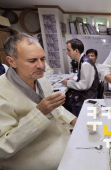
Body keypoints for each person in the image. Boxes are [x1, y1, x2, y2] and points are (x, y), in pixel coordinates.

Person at [0, 33, 77, 170]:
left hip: (60, 140)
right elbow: (3, 148)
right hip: (33, 159)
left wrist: (72, 119)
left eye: (43, 59)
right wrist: (40, 113)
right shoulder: (2, 92)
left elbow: (53, 106)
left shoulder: (41, 80)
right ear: (12, 61)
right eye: (32, 61)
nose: (42, 66)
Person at [62, 39, 99, 117]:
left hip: (87, 97)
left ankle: (75, 124)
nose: (67, 53)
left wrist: (68, 83)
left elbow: (84, 86)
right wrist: (73, 80)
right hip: (86, 94)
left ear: (76, 51)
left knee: (63, 103)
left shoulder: (85, 63)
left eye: (69, 50)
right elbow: (84, 80)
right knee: (65, 99)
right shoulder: (82, 60)